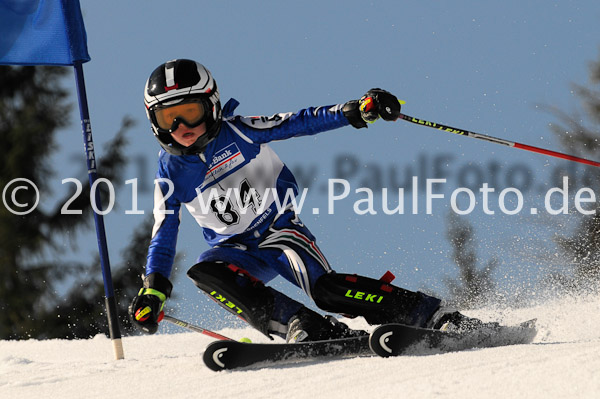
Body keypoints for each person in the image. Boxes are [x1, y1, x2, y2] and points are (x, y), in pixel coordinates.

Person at [129, 59, 491, 342]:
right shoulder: (170, 172)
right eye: (167, 117)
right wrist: (154, 287)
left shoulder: (239, 131)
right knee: (205, 271)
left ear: (210, 106)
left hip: (279, 232)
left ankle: (432, 316)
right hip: (235, 250)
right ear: (154, 122)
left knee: (326, 290)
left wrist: (355, 110)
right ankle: (303, 325)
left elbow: (298, 122)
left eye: (189, 112)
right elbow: (164, 231)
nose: (180, 125)